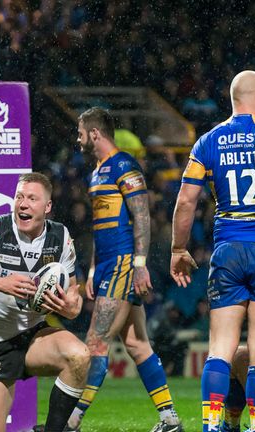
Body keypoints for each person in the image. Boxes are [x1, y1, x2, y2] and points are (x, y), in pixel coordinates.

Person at [170, 70, 255, 432]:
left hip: (227, 250)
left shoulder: (208, 141)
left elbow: (187, 200)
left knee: (220, 347)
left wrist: (178, 248)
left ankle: (211, 424)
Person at [69, 107, 183, 432]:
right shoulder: (97, 171)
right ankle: (169, 419)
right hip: (106, 265)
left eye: (80, 132)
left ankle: (71, 420)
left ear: (94, 133)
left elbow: (142, 216)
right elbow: (99, 227)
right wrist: (92, 270)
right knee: (136, 344)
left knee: (96, 342)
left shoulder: (124, 165)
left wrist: (140, 264)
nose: (77, 139)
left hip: (122, 264)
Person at [0, 172, 90, 432]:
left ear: (47, 207)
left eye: (32, 199)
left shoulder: (60, 237)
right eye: (19, 197)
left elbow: (73, 295)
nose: (23, 204)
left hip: (34, 336)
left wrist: (72, 308)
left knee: (79, 356)